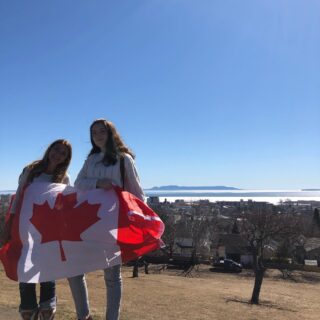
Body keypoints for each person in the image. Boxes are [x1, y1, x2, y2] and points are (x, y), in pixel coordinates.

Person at [68, 118, 144, 320]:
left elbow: (136, 191)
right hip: (86, 221)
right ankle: (83, 316)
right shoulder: (91, 159)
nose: (98, 135)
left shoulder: (124, 159)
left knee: (112, 277)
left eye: (102, 131)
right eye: (94, 132)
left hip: (111, 223)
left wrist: (141, 220)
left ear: (111, 133)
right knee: (74, 269)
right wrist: (98, 183)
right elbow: (78, 184)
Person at [0, 139, 72, 320]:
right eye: (56, 149)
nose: (58, 154)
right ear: (49, 150)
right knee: (26, 266)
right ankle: (28, 309)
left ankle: (48, 309)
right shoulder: (31, 171)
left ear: (66, 158)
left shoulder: (64, 177)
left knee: (48, 268)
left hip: (51, 231)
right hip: (25, 227)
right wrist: (9, 224)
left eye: (63, 153)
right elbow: (18, 198)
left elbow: (67, 205)